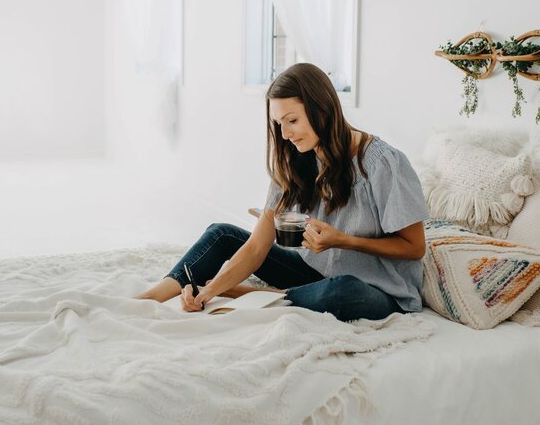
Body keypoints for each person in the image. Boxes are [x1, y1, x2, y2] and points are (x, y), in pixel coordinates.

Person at [136, 63, 428, 321]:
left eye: (293, 120)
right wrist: (209, 291)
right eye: (279, 124)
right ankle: (149, 299)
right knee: (222, 234)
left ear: (322, 110)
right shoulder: (296, 159)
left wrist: (343, 241)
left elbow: (414, 247)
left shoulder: (382, 163)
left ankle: (259, 294)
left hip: (380, 290)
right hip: (315, 272)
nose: (286, 134)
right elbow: (256, 247)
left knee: (341, 290)